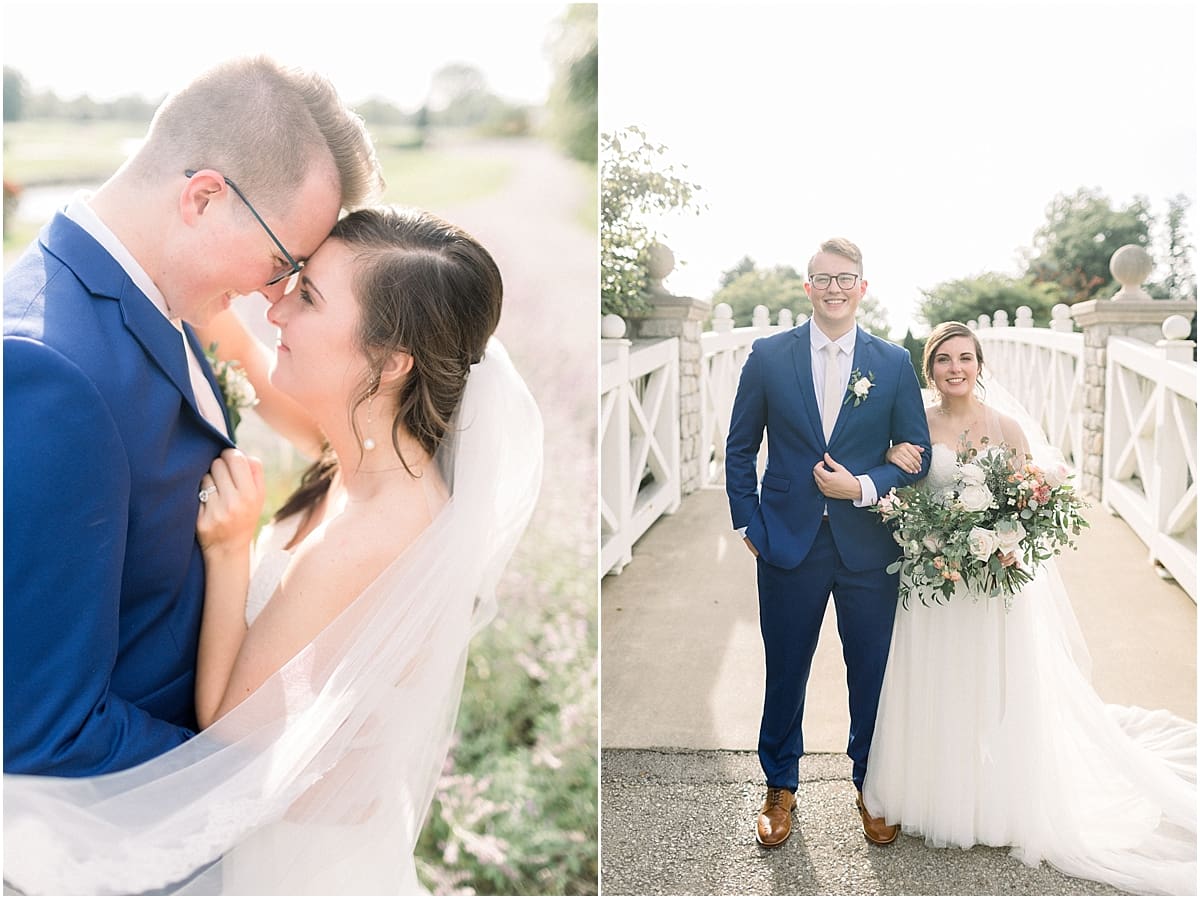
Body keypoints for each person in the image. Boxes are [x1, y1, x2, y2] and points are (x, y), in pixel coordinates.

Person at [3, 206, 544, 895]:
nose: (278, 308)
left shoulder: (375, 534)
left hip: (304, 866)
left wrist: (230, 548)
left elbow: (228, 720)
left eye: (308, 295)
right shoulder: (359, 446)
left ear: (388, 362)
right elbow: (247, 355)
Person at [2, 55, 382, 777]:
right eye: (281, 261)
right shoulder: (49, 371)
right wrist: (257, 781)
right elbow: (43, 730)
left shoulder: (162, 297)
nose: (274, 295)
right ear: (204, 198)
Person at [864, 321, 1196, 895]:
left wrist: (1001, 542)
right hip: (934, 578)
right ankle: (930, 791)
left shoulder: (1006, 427)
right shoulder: (916, 422)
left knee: (993, 684)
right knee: (936, 681)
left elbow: (1026, 501)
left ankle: (994, 800)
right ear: (930, 369)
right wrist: (900, 478)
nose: (955, 368)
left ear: (980, 363)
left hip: (992, 584)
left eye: (965, 357)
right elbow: (901, 485)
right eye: (943, 359)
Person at [724, 237, 932, 848]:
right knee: (785, 671)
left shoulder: (892, 362)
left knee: (870, 671)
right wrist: (747, 524)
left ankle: (870, 783)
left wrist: (864, 485)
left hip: (869, 544)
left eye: (846, 278)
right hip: (787, 542)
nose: (834, 288)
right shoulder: (767, 356)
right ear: (807, 287)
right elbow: (739, 448)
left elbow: (915, 457)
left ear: (863, 287)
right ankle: (780, 786)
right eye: (823, 278)